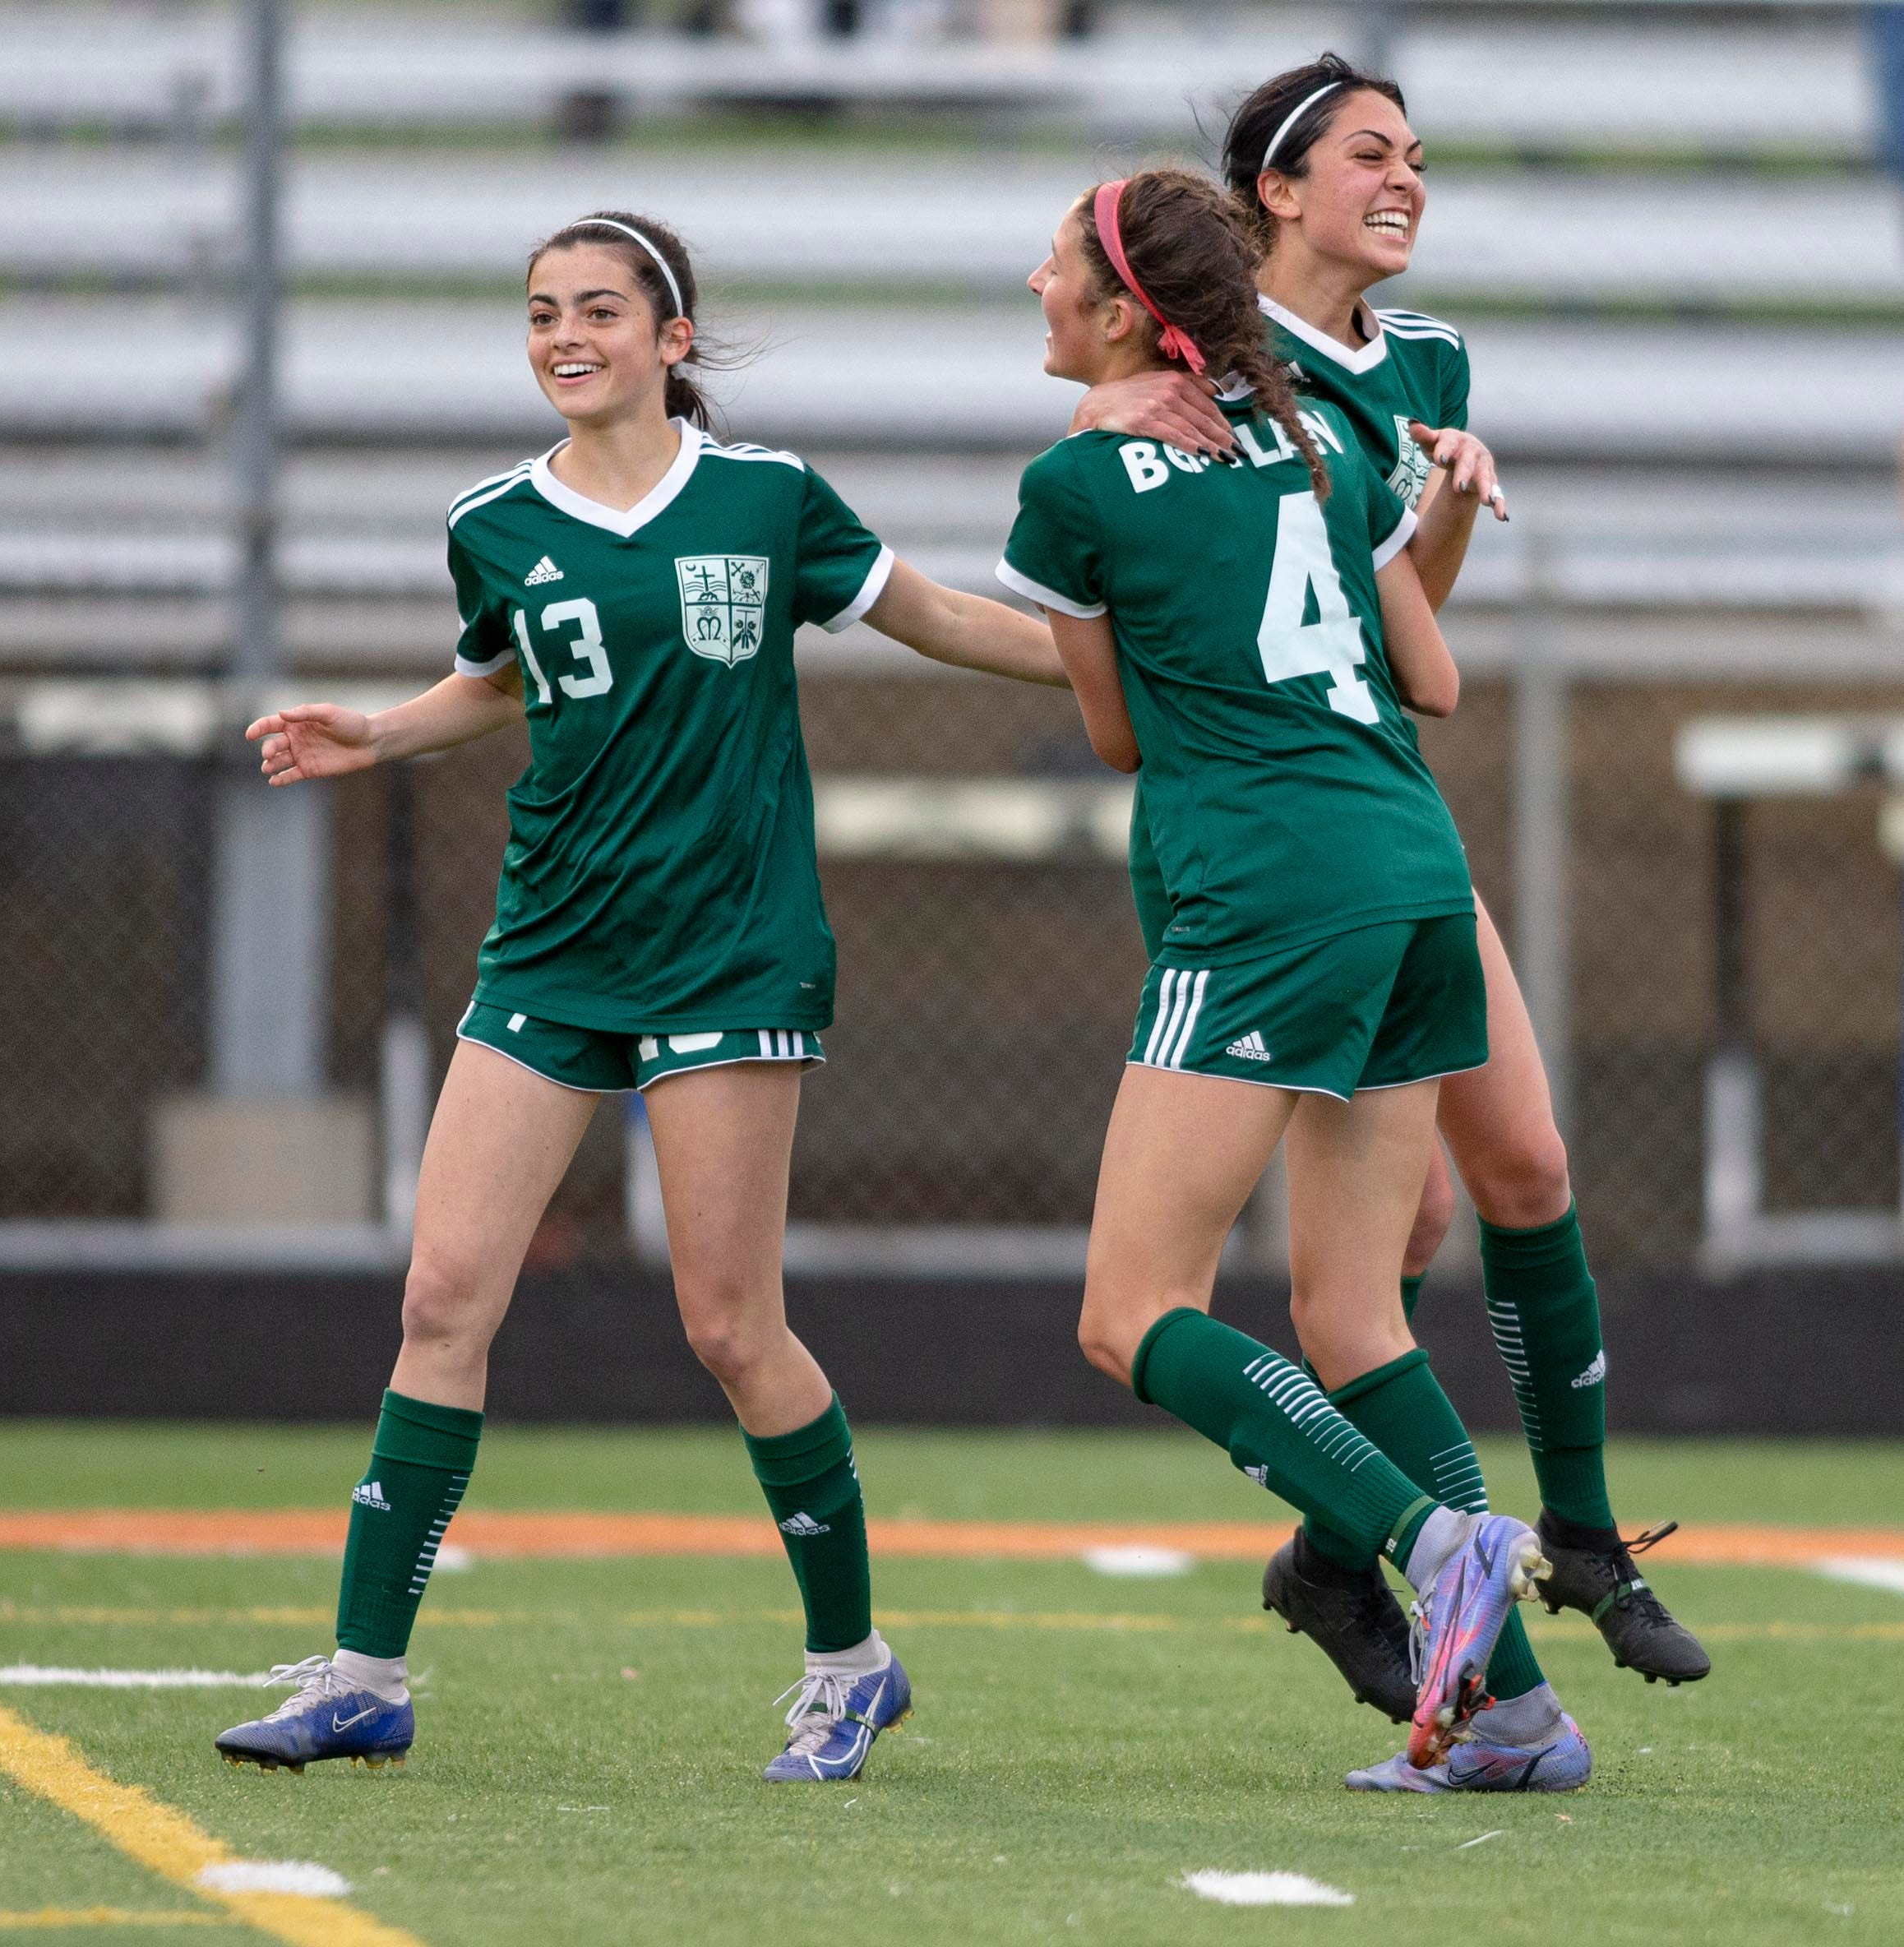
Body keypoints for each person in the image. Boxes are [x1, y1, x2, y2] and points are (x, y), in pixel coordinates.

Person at [213, 210, 1067, 1785]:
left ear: (672, 339)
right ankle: (362, 1677)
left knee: (732, 1327)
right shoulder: (490, 522)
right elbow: (514, 674)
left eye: (597, 308)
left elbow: (930, 613)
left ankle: (849, 1666)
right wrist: (378, 733)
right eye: (540, 310)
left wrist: (1111, 676)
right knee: (441, 1299)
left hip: (730, 947)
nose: (561, 335)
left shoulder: (766, 498)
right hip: (551, 943)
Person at [1069, 55, 1710, 1755]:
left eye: (1417, 156)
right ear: (1271, 192)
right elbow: (1342, 635)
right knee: (1373, 1272)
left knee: (1491, 1187)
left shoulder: (1400, 367)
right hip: (1354, 837)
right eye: (1372, 154)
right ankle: (1433, 1596)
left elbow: (1375, 633)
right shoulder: (1206, 384)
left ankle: (1501, 1544)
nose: (1407, 180)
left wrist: (1432, 514)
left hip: (1315, 842)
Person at [999, 167, 1570, 1785]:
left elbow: (1115, 735)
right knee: (1351, 1307)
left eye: (1054, 264)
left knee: (1130, 1312)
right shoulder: (1319, 436)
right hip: (1412, 870)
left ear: (1120, 310)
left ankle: (1427, 1541)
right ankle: (1515, 1712)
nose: (1033, 284)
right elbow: (1432, 674)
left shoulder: (1072, 482)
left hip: (1263, 889)